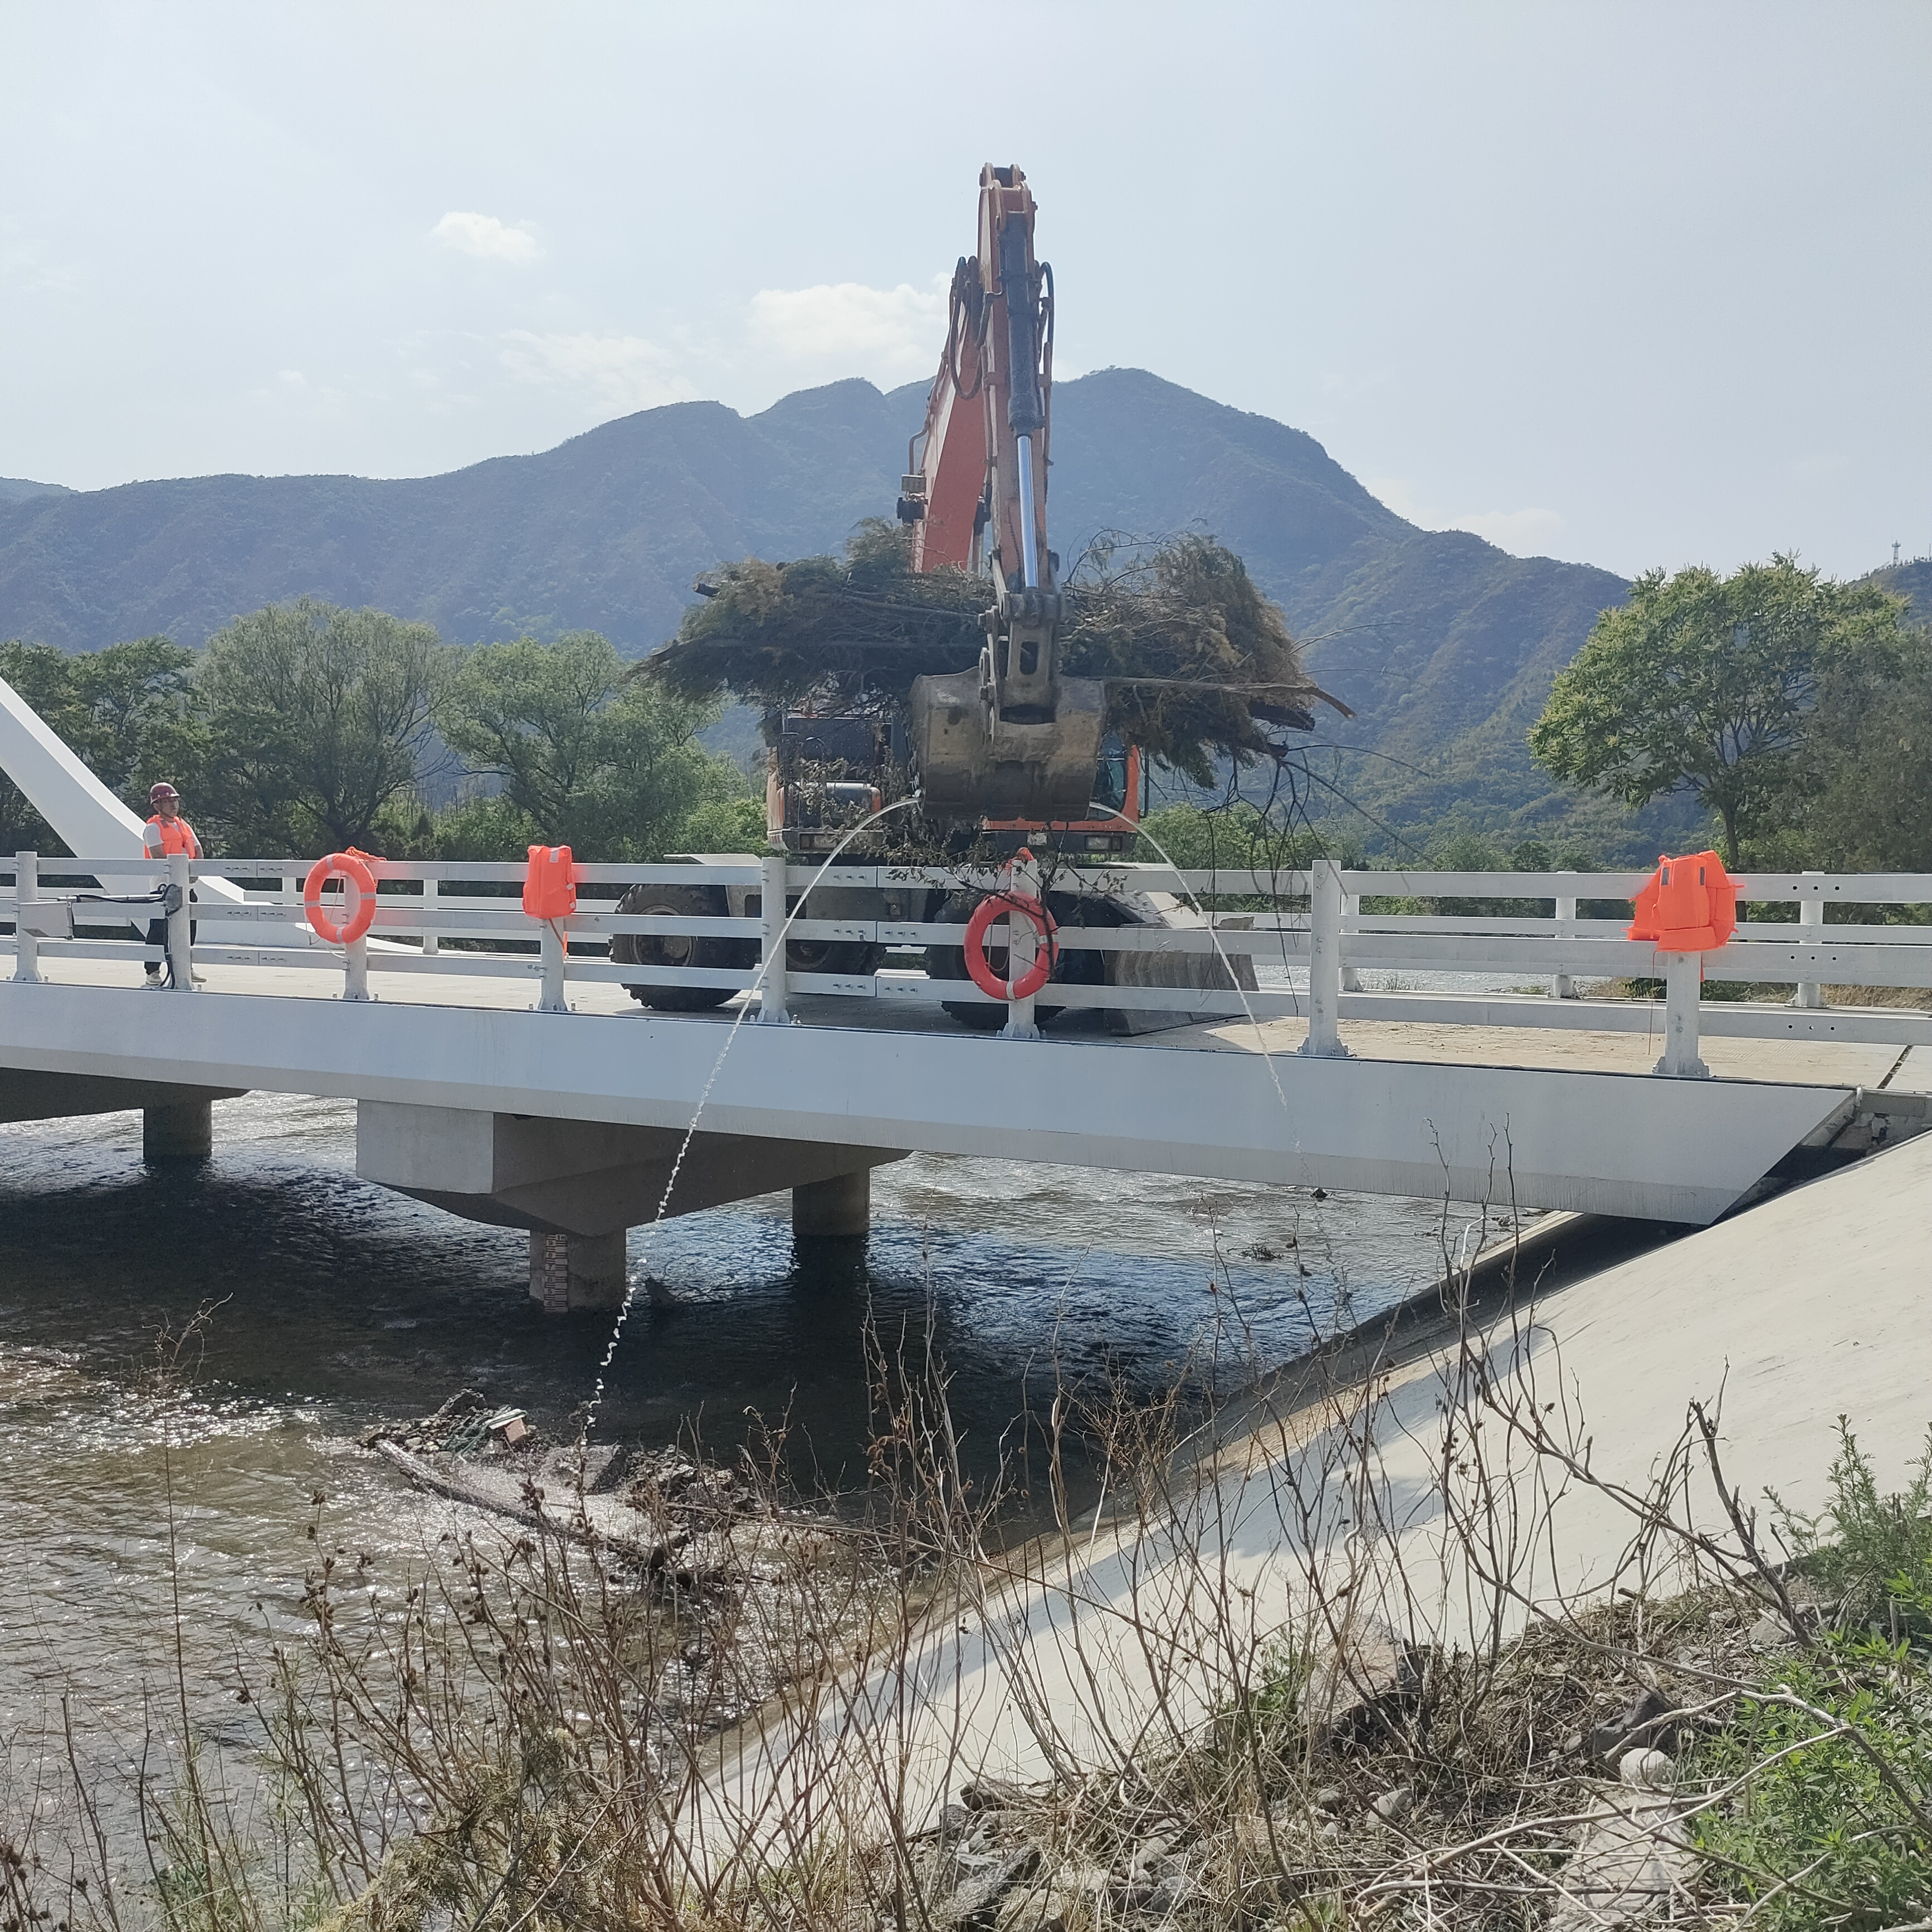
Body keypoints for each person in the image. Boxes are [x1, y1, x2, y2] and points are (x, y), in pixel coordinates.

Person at [142, 782, 201, 984]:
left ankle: (186, 966)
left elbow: (198, 851)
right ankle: (152, 971)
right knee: (158, 929)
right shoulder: (153, 828)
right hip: (162, 887)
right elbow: (158, 856)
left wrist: (195, 872)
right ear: (157, 806)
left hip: (187, 886)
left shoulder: (184, 825)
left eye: (174, 800)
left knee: (189, 928)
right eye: (167, 802)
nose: (173, 805)